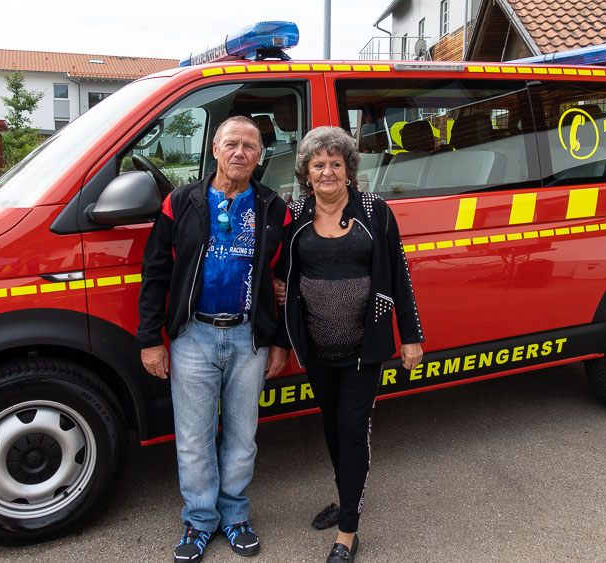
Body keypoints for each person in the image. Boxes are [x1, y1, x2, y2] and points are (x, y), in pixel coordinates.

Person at [137, 116, 291, 563]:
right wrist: (150, 338)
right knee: (193, 437)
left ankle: (235, 516)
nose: (240, 152)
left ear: (260, 157)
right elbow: (156, 274)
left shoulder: (272, 207)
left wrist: (277, 340)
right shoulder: (180, 202)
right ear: (215, 151)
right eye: (232, 144)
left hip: (248, 338)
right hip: (192, 336)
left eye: (250, 146)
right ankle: (200, 520)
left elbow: (282, 277)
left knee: (242, 437)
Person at [276, 126, 424, 563]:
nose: (327, 171)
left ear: (349, 170)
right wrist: (281, 287)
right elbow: (280, 263)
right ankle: (347, 498)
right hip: (316, 345)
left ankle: (348, 531)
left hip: (366, 344)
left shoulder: (375, 210)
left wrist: (411, 336)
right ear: (306, 171)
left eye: (335, 164)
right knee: (330, 424)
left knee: (352, 429)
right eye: (318, 164)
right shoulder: (296, 211)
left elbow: (399, 275)